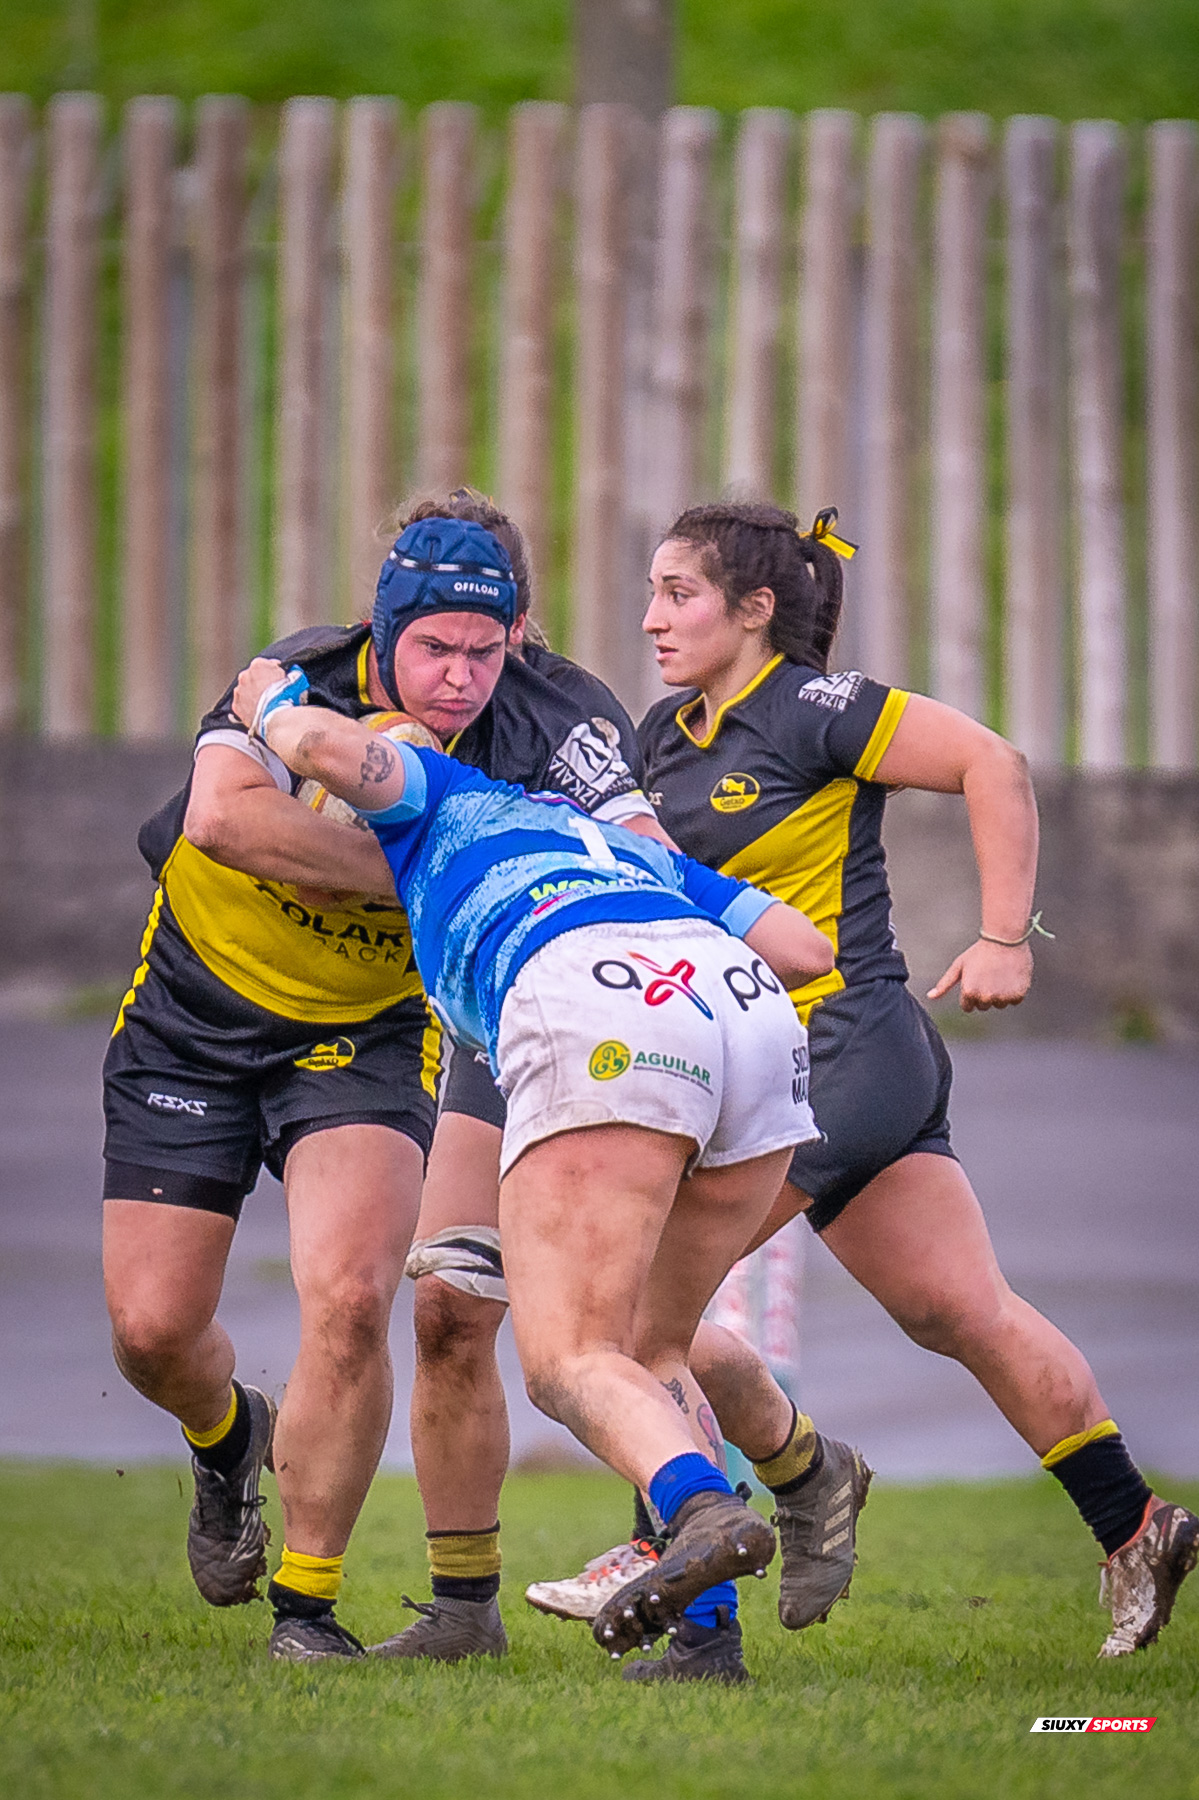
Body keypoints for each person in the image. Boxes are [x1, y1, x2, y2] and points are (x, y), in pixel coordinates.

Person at [531, 500, 1199, 1670]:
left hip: (833, 1053)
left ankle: (671, 1562)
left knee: (637, 1326)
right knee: (959, 1313)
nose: (649, 619)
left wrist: (1004, 935)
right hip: (799, 1069)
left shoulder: (809, 708)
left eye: (677, 595)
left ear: (756, 610)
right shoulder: (659, 734)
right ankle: (1132, 1525)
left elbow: (990, 761)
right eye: (648, 594)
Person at [101, 496, 658, 1665]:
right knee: (152, 1331)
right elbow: (221, 819)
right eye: (433, 648)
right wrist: (431, 859)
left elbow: (641, 859)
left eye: (483, 649)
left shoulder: (557, 717)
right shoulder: (293, 677)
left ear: (519, 631)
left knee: (354, 1296)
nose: (459, 677)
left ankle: (305, 1613)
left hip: (363, 1034)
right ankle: (224, 1438)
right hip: (193, 1018)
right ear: (381, 627)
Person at [230, 639, 836, 1670]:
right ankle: (705, 1637)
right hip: (746, 1013)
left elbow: (336, 750)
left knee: (568, 1360)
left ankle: (698, 1512)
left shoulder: (437, 790)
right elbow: (802, 947)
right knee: (652, 1351)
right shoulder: (594, 832)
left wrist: (271, 703)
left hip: (593, 1006)